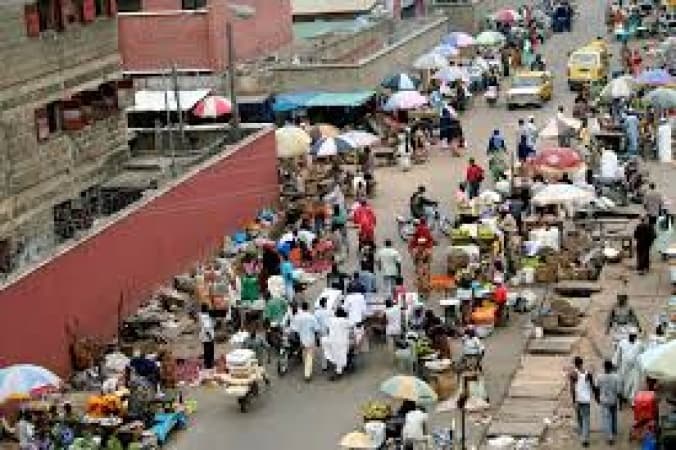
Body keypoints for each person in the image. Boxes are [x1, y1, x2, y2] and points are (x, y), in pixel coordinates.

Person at [613, 330, 643, 405]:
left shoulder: (639, 344)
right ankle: (624, 396)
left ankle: (633, 400)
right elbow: (618, 354)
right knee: (625, 383)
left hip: (635, 367)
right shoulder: (622, 343)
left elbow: (643, 353)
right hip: (624, 368)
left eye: (633, 336)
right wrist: (615, 363)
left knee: (635, 384)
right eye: (631, 336)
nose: (632, 337)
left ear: (635, 336)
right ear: (628, 336)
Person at [569, 356, 593, 447]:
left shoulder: (573, 374)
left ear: (575, 364)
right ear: (582, 363)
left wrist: (573, 400)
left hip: (578, 399)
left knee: (579, 417)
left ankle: (582, 434)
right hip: (586, 399)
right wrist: (596, 397)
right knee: (586, 418)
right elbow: (592, 386)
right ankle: (585, 437)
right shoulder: (588, 374)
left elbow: (572, 388)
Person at [595, 359, 620, 445]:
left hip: (604, 400)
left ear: (604, 367)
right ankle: (614, 431)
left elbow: (597, 388)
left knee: (606, 418)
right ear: (611, 368)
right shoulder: (616, 377)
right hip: (613, 399)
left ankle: (610, 437)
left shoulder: (599, 377)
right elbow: (618, 390)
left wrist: (597, 398)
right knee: (614, 415)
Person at [409, 219, 435, 300]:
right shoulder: (426, 230)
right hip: (425, 273)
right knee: (425, 275)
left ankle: (422, 294)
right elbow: (430, 240)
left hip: (421, 273)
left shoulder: (418, 230)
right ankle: (425, 292)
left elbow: (413, 242)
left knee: (421, 277)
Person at [323, 307, 352, 378]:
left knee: (335, 355)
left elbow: (326, 322)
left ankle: (338, 370)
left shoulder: (331, 320)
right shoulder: (345, 321)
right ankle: (339, 371)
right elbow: (351, 325)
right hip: (342, 341)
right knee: (341, 355)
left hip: (333, 340)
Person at [295, 301, 319, 381]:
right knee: (309, 357)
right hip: (310, 339)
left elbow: (296, 329)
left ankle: (306, 369)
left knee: (305, 355)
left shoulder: (298, 317)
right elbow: (316, 328)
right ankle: (307, 374)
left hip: (302, 339)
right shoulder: (311, 317)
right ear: (308, 307)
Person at [198, 304, 215, 369]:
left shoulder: (201, 315)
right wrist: (210, 336)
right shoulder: (205, 316)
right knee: (209, 351)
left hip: (204, 335)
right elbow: (206, 326)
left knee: (206, 350)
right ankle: (209, 364)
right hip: (208, 336)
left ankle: (207, 363)